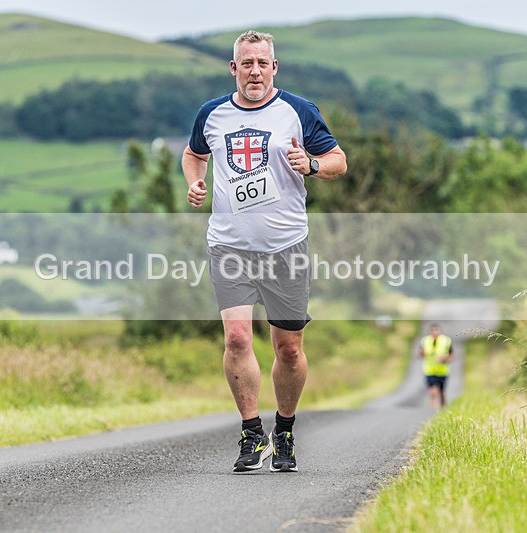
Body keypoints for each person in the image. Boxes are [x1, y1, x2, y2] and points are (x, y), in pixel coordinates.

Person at [182, 30, 347, 473]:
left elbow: (338, 161)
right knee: (237, 337)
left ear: (275, 68)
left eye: (262, 63)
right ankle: (252, 433)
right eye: (246, 63)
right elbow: (193, 154)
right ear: (233, 69)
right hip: (229, 246)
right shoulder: (211, 114)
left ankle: (285, 430)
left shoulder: (298, 111)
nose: (254, 71)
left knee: (288, 348)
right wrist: (194, 181)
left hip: (285, 246)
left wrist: (311, 164)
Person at [418, 324, 454, 409]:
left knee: (441, 392)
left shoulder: (446, 341)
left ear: (440, 331)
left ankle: (443, 407)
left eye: (436, 330)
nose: (434, 333)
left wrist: (444, 358)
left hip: (442, 371)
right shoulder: (425, 341)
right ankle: (432, 409)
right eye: (432, 331)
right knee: (432, 392)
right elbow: (420, 354)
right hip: (429, 370)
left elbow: (452, 356)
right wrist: (422, 352)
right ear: (430, 332)